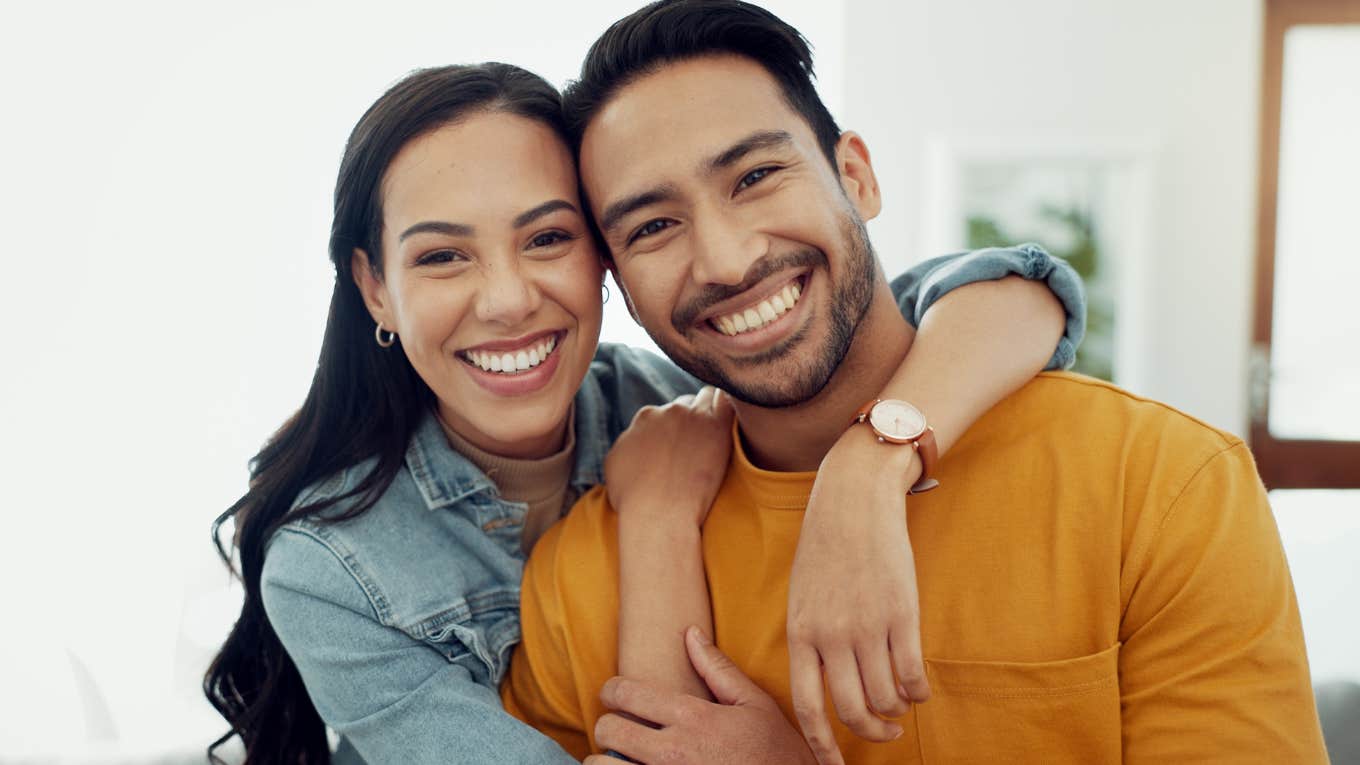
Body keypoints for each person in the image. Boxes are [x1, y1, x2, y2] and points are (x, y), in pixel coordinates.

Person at [501, 2, 1330, 763]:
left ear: (855, 177)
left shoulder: (1161, 483)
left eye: (755, 176)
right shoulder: (582, 576)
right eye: (652, 226)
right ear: (618, 283)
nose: (726, 259)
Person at [202, 62, 1086, 763]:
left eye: (548, 237)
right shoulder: (332, 570)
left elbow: (991, 292)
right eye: (442, 256)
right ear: (375, 290)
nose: (509, 299)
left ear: (609, 261)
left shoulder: (684, 393)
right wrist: (658, 515)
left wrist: (870, 463)